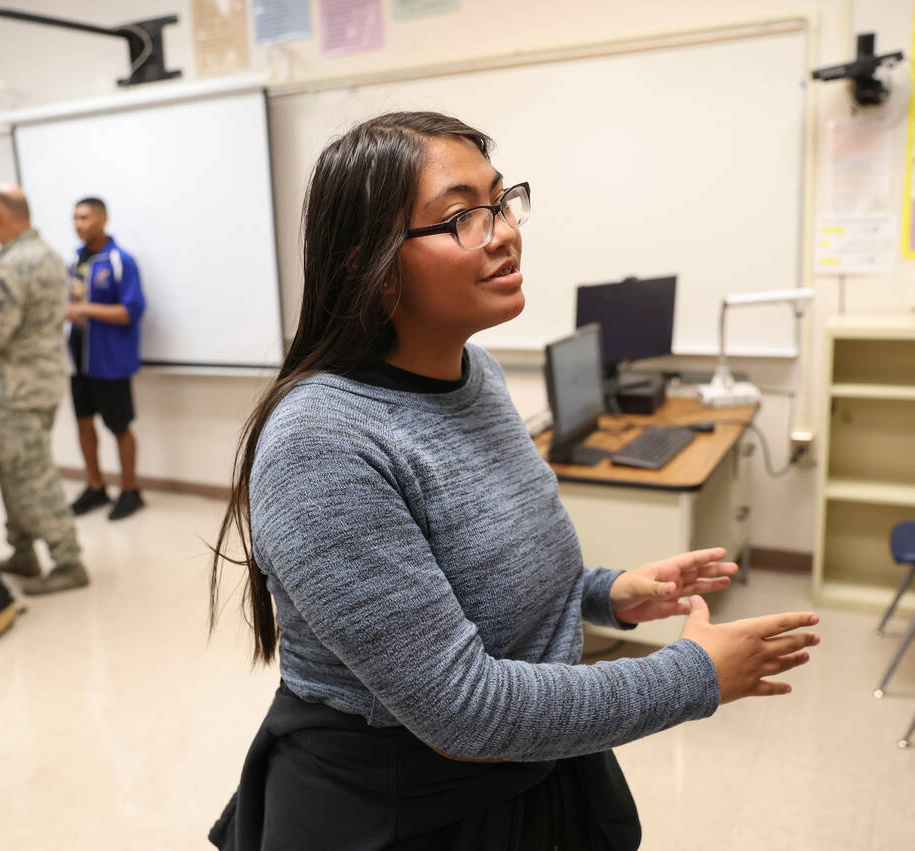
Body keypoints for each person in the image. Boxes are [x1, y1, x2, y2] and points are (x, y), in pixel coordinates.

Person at [207, 112, 820, 850]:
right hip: (403, 808)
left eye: (501, 202)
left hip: (533, 770)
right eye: (462, 216)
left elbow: (488, 575)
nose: (502, 231)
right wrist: (694, 676)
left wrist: (606, 592)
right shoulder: (323, 444)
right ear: (360, 260)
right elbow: (464, 707)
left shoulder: (479, 374)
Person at [0, 183, 88, 596]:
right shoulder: (46, 256)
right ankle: (24, 552)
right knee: (13, 470)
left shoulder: (13, 265)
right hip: (38, 384)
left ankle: (68, 560)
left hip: (16, 391)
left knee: (31, 474)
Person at [64, 197, 147, 521]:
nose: (78, 224)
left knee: (119, 426)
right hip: (78, 361)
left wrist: (84, 310)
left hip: (110, 362)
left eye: (84, 217)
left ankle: (130, 490)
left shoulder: (120, 260)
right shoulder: (74, 261)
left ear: (103, 219)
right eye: (74, 219)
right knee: (84, 423)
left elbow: (132, 310)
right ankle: (96, 487)